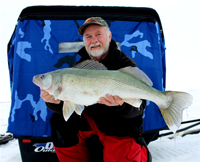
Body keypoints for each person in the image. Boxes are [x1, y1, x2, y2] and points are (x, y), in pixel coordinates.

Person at [40, 17, 151, 162]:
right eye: (88, 36)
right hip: (90, 124)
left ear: (109, 37)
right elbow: (70, 103)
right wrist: (53, 102)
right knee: (59, 121)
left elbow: (139, 108)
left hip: (117, 126)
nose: (93, 40)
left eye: (98, 34)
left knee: (124, 134)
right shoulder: (78, 67)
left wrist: (120, 106)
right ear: (84, 41)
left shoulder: (124, 64)